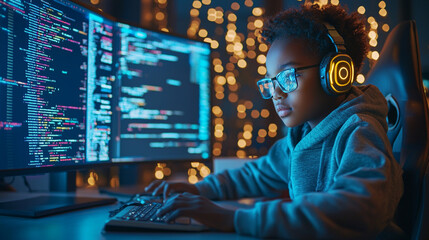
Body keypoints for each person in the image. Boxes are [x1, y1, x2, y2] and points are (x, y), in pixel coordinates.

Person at [145, 3, 404, 239]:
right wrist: (199, 189)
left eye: (288, 77)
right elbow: (256, 175)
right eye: (271, 81)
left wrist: (233, 218)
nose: (276, 93)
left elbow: (361, 208)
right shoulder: (301, 137)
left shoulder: (358, 131)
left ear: (336, 73)